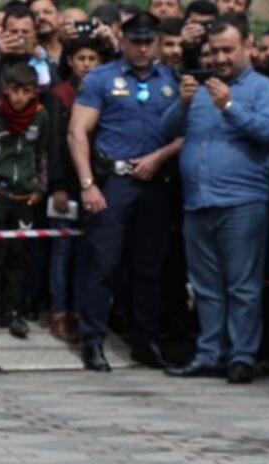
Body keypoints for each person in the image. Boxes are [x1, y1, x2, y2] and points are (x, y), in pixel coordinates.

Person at [162, 13, 269, 385]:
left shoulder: (267, 89)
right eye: (213, 51)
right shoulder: (198, 87)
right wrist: (181, 104)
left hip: (243, 201)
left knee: (243, 286)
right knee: (206, 286)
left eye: (227, 50)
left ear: (247, 45)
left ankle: (242, 356)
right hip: (198, 201)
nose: (219, 58)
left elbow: (267, 131)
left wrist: (229, 106)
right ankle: (209, 353)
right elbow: (164, 131)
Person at [68, 12, 182, 372]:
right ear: (122, 40)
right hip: (114, 182)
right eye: (136, 41)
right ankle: (93, 341)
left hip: (156, 182)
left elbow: (187, 130)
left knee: (149, 267)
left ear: (159, 41)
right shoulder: (102, 78)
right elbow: (77, 133)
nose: (144, 48)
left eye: (150, 41)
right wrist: (87, 183)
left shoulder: (172, 79)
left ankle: (144, 341)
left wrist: (159, 157)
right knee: (103, 264)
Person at [0, 63, 49, 339]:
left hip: (24, 195)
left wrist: (40, 187)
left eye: (26, 91)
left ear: (34, 92)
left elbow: (42, 155)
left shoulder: (41, 117)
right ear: (6, 89)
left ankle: (15, 312)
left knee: (20, 255)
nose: (18, 97)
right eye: (14, 90)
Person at [44, 37, 104, 344]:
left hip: (95, 184)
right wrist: (56, 186)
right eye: (82, 57)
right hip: (65, 185)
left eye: (93, 58)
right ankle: (58, 311)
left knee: (87, 252)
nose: (87, 64)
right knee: (62, 250)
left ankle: (83, 311)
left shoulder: (103, 91)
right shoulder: (60, 94)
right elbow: (55, 141)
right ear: (70, 60)